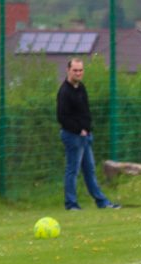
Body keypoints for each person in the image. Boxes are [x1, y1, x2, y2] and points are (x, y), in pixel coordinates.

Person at [56, 58, 120, 211]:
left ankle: (102, 202)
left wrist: (87, 130)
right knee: (72, 170)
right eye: (75, 70)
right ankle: (71, 204)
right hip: (73, 136)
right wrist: (79, 130)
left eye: (80, 70)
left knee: (89, 170)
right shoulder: (65, 92)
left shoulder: (81, 88)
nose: (78, 73)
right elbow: (62, 117)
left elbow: (84, 112)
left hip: (85, 137)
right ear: (68, 71)